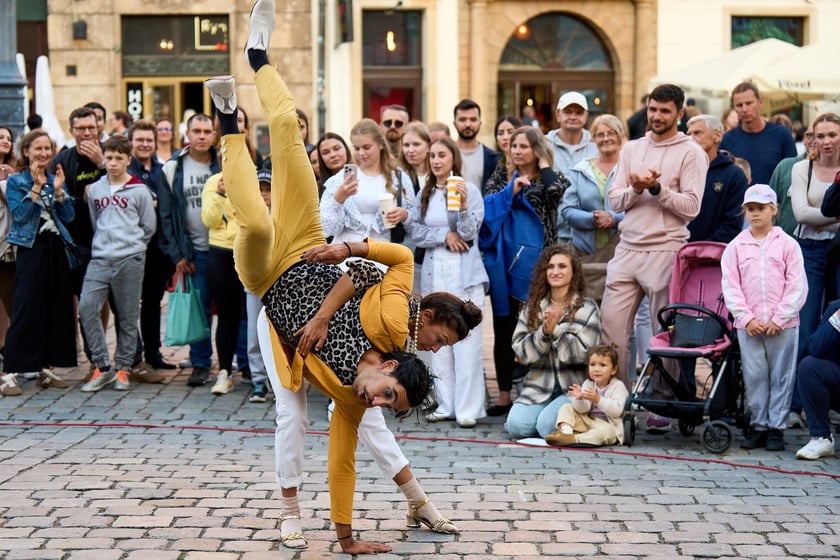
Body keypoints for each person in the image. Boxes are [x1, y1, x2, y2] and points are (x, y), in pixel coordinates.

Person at [205, 2, 480, 551]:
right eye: (439, 337)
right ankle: (258, 56)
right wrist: (342, 269)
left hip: (270, 291)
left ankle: (228, 128)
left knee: (255, 225)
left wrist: (346, 537)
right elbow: (383, 264)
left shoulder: (366, 391)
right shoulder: (395, 323)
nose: (432, 345)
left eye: (437, 347)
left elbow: (345, 459)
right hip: (310, 246)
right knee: (289, 136)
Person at [599, 84, 706, 403]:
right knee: (612, 326)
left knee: (665, 333)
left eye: (665, 111)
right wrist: (637, 189)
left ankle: (664, 400)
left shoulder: (691, 152)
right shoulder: (631, 148)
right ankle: (615, 399)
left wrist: (658, 188)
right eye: (652, 109)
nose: (657, 116)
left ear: (680, 114)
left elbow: (692, 207)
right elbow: (614, 201)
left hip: (666, 249)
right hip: (627, 248)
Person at [481, 126, 569, 416]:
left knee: (539, 327)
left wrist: (543, 166)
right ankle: (504, 396)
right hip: (504, 262)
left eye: (524, 146)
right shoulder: (501, 173)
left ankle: (538, 393)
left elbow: (556, 193)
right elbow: (487, 207)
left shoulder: (549, 177)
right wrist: (512, 190)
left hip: (540, 264)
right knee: (503, 328)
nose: (517, 151)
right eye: (514, 146)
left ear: (537, 150)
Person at [408, 137, 488, 427]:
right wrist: (443, 236)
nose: (436, 161)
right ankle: (445, 402)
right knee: (436, 340)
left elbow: (469, 233)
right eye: (432, 156)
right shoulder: (425, 193)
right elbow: (415, 231)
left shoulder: (470, 190)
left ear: (453, 158)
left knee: (466, 343)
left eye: (442, 155)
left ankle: (468, 407)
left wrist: (464, 206)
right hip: (435, 270)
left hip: (464, 274)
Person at [722, 184, 807, 451]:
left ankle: (776, 428)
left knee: (782, 374)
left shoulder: (788, 245)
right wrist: (746, 318)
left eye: (760, 209)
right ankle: (759, 425)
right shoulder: (736, 247)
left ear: (773, 209)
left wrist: (780, 318)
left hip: (782, 326)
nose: (755, 214)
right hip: (751, 327)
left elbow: (796, 284)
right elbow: (731, 285)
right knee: (755, 374)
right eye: (750, 209)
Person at [79, 135, 156, 393]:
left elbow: (148, 226)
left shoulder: (139, 191)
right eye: (109, 158)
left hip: (130, 258)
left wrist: (133, 247)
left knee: (127, 315)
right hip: (100, 258)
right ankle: (102, 365)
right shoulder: (96, 190)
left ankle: (123, 367)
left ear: (128, 161)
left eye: (118, 159)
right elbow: (95, 220)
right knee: (87, 307)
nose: (113, 163)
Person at [1, 130, 75, 396]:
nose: (44, 153)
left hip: (57, 249)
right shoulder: (17, 181)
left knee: (54, 307)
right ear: (26, 151)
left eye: (47, 148)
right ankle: (10, 372)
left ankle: (44, 367)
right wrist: (34, 187)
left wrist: (60, 193)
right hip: (31, 248)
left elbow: (68, 215)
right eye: (38, 149)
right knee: (25, 308)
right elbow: (20, 216)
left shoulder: (56, 178)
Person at [506, 244, 601, 438]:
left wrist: (556, 331)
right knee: (516, 427)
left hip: (574, 387)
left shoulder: (587, 308)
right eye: (550, 267)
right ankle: (557, 416)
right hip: (539, 385)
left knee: (545, 427)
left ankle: (575, 415)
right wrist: (543, 333)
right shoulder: (533, 306)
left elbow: (584, 354)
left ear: (573, 271)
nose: (555, 271)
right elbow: (522, 351)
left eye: (562, 266)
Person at [157, 112, 220, 387]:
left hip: (226, 248)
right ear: (188, 134)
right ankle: (201, 363)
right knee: (200, 309)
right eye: (197, 131)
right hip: (194, 252)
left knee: (234, 310)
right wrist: (177, 255)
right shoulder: (173, 168)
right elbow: (167, 217)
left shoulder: (224, 165)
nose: (202, 136)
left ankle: (239, 363)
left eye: (207, 131)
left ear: (215, 135)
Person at [127, 120, 173, 377]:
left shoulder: (163, 170)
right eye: (140, 140)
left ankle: (153, 354)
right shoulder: (125, 168)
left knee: (153, 302)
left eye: (148, 140)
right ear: (132, 142)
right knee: (130, 303)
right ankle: (132, 355)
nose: (144, 144)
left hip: (158, 248)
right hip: (133, 246)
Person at [320, 118, 413, 245]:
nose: (361, 153)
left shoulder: (398, 177)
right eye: (357, 148)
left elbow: (414, 224)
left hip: (382, 250)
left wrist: (405, 215)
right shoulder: (342, 178)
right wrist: (338, 199)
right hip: (345, 251)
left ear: (380, 144)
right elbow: (328, 229)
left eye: (367, 147)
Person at [201, 170, 246, 395]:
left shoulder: (256, 175)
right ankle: (225, 371)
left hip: (251, 249)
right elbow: (209, 220)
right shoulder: (214, 181)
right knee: (227, 314)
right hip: (221, 251)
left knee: (255, 313)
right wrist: (220, 194)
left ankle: (256, 372)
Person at [561, 114, 625, 256]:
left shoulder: (630, 169)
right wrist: (594, 218)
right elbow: (567, 211)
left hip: (623, 254)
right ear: (593, 139)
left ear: (620, 135)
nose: (606, 138)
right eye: (600, 135)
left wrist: (613, 218)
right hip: (584, 254)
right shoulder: (579, 170)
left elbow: (640, 211)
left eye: (611, 133)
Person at [545, 344, 628, 447]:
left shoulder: (618, 386)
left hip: (608, 425)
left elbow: (617, 411)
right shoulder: (588, 383)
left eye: (602, 365)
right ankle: (566, 432)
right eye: (592, 365)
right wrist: (579, 399)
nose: (596, 369)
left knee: (603, 434)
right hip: (588, 421)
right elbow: (582, 410)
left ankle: (575, 438)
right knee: (567, 407)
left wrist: (598, 400)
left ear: (613, 370)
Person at [686, 114, 749, 243]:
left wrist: (700, 250)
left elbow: (732, 224)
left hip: (712, 256)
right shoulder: (681, 170)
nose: (690, 139)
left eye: (697, 133)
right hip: (676, 252)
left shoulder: (734, 175)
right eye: (689, 134)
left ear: (717, 136)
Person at [719, 82, 796, 184]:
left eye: (749, 103)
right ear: (734, 108)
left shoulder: (781, 135)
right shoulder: (727, 139)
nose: (744, 109)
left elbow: (792, 173)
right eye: (739, 105)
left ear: (760, 102)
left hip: (773, 199)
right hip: (740, 199)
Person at [794, 300, 840, 460]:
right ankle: (821, 438)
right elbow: (815, 348)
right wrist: (838, 320)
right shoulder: (836, 308)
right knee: (809, 367)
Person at [453, 99, 500, 191]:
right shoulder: (444, 155)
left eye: (473, 119)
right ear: (455, 124)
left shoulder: (493, 158)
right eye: (462, 120)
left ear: (480, 123)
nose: (468, 124)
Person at [315, 132, 351, 197]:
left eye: (337, 149)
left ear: (346, 148)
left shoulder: (361, 176)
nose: (332, 155)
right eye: (326, 152)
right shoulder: (317, 188)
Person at [492, 115, 523, 183]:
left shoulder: (528, 164)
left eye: (510, 132)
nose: (505, 137)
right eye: (500, 133)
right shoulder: (498, 166)